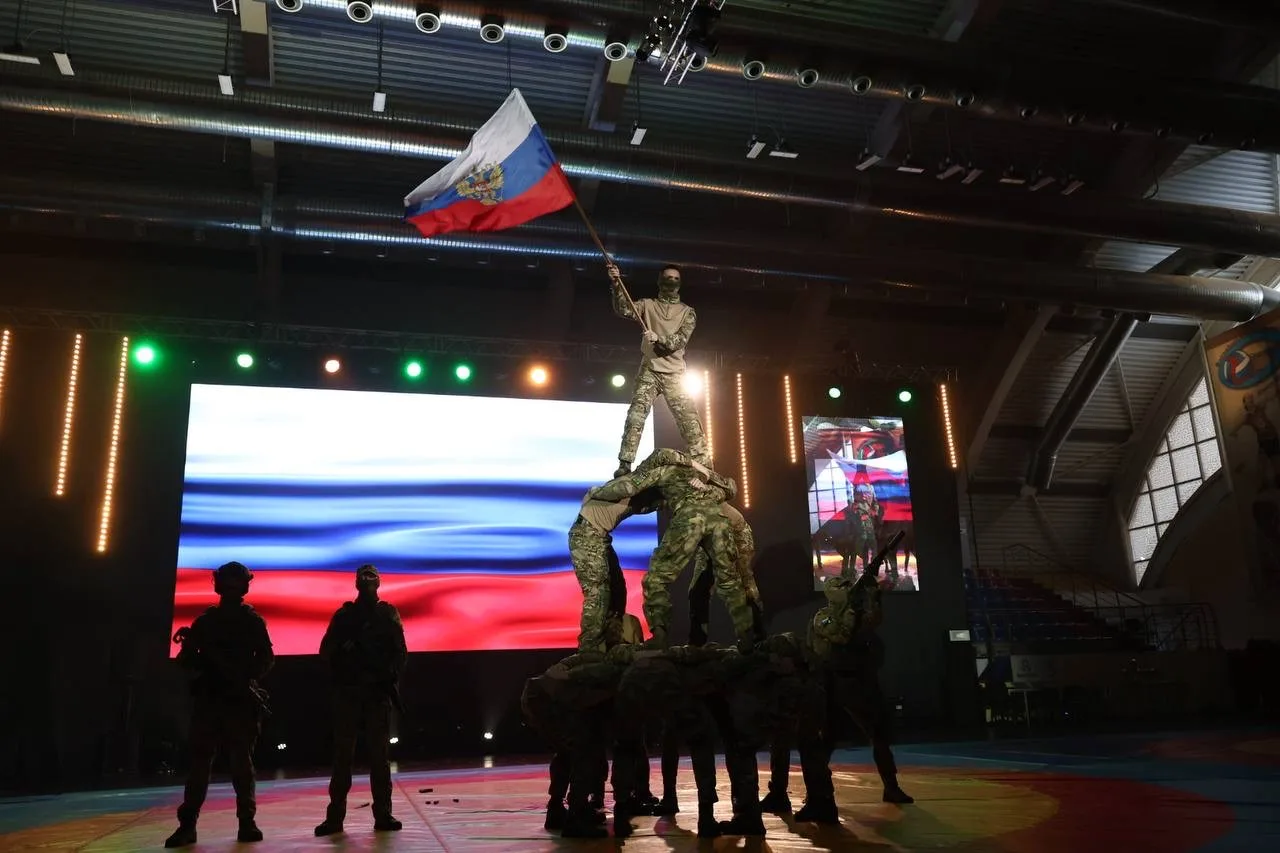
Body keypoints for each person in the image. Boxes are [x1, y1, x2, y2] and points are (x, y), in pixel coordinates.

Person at [588, 449, 755, 651]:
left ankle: (660, 636)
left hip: (690, 519)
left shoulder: (662, 471)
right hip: (718, 520)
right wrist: (710, 487)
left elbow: (628, 487)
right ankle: (747, 636)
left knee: (656, 579)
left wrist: (596, 492)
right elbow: (731, 487)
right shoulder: (699, 473)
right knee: (729, 580)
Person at [165, 562, 274, 848]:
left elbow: (264, 660)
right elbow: (188, 662)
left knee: (233, 764)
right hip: (213, 698)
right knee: (217, 764)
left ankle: (235, 822)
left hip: (233, 699)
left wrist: (242, 676)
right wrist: (197, 655)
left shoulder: (243, 622)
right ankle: (204, 824)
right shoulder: (211, 622)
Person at [521, 620, 648, 838]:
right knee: (586, 751)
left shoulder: (594, 658)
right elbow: (624, 748)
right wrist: (622, 808)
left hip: (538, 697)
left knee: (570, 751)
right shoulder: (620, 672)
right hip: (553, 702)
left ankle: (558, 810)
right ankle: (575, 818)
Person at [315, 565, 408, 837]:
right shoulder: (345, 617)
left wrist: (386, 676)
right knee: (344, 758)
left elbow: (399, 653)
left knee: (379, 759)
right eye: (364, 581)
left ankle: (382, 814)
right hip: (350, 693)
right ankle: (335, 818)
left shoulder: (387, 614)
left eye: (371, 581)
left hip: (376, 693)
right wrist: (347, 661)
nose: (368, 586)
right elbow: (327, 651)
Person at [607, 262, 707, 478]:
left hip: (675, 374)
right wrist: (616, 283)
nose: (672, 281)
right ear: (660, 281)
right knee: (636, 416)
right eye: (668, 277)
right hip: (650, 370)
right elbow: (624, 309)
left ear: (680, 284)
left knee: (690, 421)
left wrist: (658, 338)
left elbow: (679, 341)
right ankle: (625, 464)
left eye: (675, 278)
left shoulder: (688, 313)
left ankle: (704, 467)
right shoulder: (647, 305)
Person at [570, 476, 660, 652]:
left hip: (600, 537)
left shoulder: (637, 500)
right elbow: (599, 491)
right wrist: (595, 492)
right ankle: (589, 647)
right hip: (586, 535)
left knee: (618, 588)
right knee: (598, 593)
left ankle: (613, 637)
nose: (659, 507)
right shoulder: (628, 490)